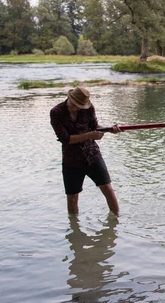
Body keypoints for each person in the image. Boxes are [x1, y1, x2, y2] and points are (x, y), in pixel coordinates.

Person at [50, 85, 122, 215]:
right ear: (69, 97)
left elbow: (95, 127)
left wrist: (110, 129)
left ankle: (116, 222)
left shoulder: (88, 108)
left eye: (80, 106)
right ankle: (74, 229)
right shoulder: (56, 112)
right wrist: (89, 135)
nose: (77, 107)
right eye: (75, 104)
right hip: (71, 158)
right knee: (72, 197)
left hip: (92, 153)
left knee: (108, 188)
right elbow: (65, 139)